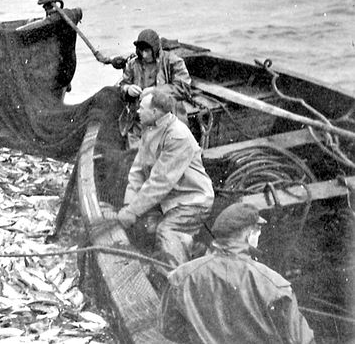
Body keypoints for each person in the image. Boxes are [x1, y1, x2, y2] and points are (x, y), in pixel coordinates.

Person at [160, 201, 315, 344]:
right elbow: (301, 339)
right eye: (258, 230)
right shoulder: (273, 284)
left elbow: (169, 329)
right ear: (249, 235)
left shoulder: (181, 277)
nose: (259, 235)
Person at [117, 88, 214, 270]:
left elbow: (160, 181)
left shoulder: (177, 135)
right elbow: (138, 171)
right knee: (147, 226)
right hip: (168, 199)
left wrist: (133, 212)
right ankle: (196, 253)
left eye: (142, 108)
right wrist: (128, 205)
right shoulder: (150, 128)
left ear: (154, 112)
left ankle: (178, 281)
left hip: (192, 201)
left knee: (166, 231)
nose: (137, 111)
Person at [98, 29, 192, 149]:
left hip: (167, 119)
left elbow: (183, 88)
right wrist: (127, 89)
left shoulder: (173, 62)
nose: (144, 55)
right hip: (139, 121)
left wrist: (155, 91)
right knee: (134, 155)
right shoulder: (133, 64)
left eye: (147, 51)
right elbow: (122, 86)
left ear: (155, 49)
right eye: (141, 51)